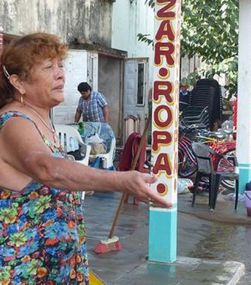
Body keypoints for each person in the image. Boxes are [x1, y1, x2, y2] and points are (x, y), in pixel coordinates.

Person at [0, 33, 171, 284]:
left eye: (60, 65)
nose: (60, 74)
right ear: (18, 82)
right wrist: (121, 180)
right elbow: (47, 169)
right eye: (48, 67)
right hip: (26, 271)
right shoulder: (14, 121)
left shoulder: (41, 119)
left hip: (57, 267)